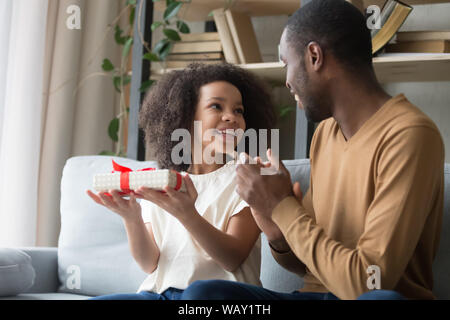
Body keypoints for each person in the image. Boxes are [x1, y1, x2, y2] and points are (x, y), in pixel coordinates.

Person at [180, 0, 445, 300]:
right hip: (311, 298)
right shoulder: (326, 134)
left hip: (373, 297)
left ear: (314, 56)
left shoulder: (409, 134)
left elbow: (369, 281)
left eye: (286, 63)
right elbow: (306, 264)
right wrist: (274, 227)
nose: (288, 81)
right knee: (204, 297)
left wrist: (283, 206)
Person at [85, 63, 276, 300]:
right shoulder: (162, 181)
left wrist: (187, 214)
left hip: (215, 296)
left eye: (238, 110)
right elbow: (149, 263)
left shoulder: (248, 177)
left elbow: (232, 257)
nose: (232, 117)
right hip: (159, 293)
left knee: (197, 297)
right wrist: (131, 217)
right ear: (185, 117)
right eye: (216, 106)